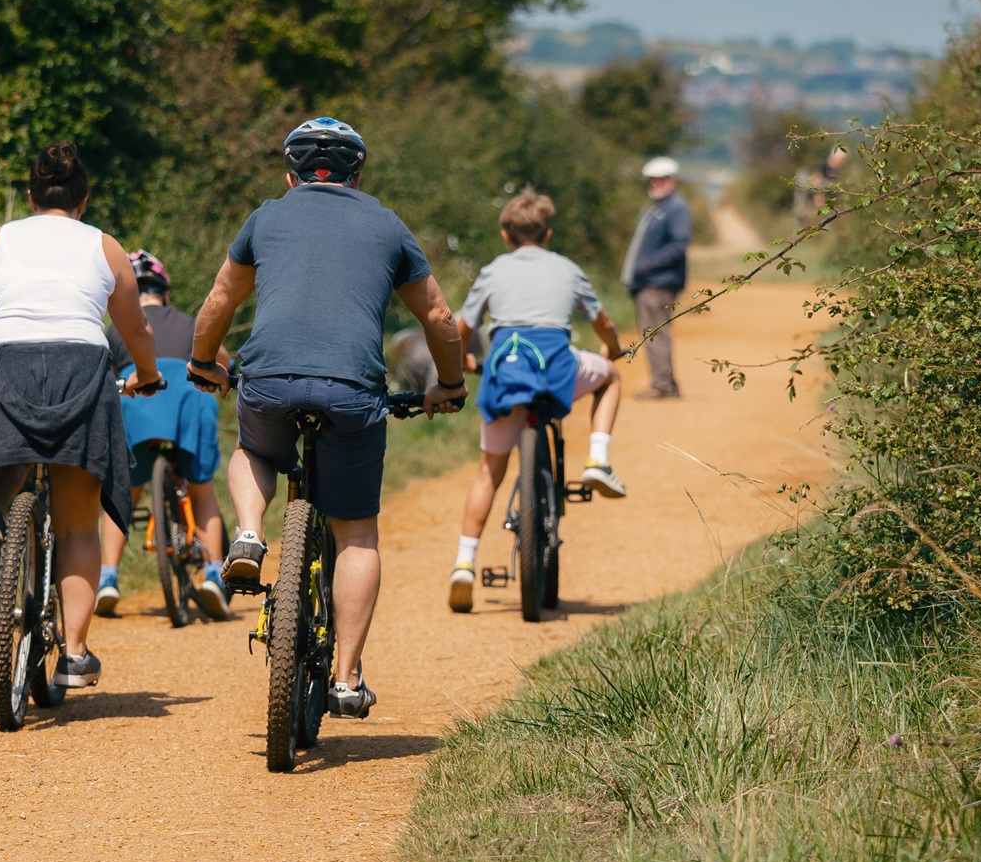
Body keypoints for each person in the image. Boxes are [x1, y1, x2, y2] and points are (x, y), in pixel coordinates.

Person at [184, 117, 466, 719]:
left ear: (291, 175)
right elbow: (440, 317)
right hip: (352, 392)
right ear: (357, 176)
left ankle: (251, 532)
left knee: (256, 453)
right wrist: (449, 383)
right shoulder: (386, 224)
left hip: (269, 381)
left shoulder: (266, 216)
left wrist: (203, 361)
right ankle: (343, 679)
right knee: (356, 531)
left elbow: (217, 302)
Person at [0, 143, 162, 693]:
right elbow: (135, 327)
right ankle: (76, 653)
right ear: (83, 200)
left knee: (2, 454)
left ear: (29, 197)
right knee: (76, 524)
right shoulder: (104, 246)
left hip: (5, 361)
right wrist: (149, 375)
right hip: (80, 365)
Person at [448, 189, 628, 613]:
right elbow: (602, 321)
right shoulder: (567, 268)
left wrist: (461, 363)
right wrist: (613, 349)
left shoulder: (493, 270)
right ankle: (598, 458)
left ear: (505, 235)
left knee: (489, 471)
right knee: (612, 378)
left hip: (505, 369)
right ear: (547, 234)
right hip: (557, 367)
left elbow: (461, 326)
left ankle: (464, 563)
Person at [95, 250, 233, 620]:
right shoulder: (189, 322)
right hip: (188, 404)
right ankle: (214, 575)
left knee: (122, 494)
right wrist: (231, 369)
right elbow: (223, 360)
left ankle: (107, 578)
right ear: (165, 291)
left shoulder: (117, 329)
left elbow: (106, 380)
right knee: (202, 490)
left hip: (138, 404)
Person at [620, 155, 692, 398]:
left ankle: (662, 386)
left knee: (655, 333)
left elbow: (679, 244)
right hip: (647, 283)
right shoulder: (655, 207)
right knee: (653, 333)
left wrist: (649, 265)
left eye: (660, 179)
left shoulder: (676, 207)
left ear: (672, 181)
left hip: (658, 284)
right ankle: (666, 383)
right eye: (652, 180)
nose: (655, 184)